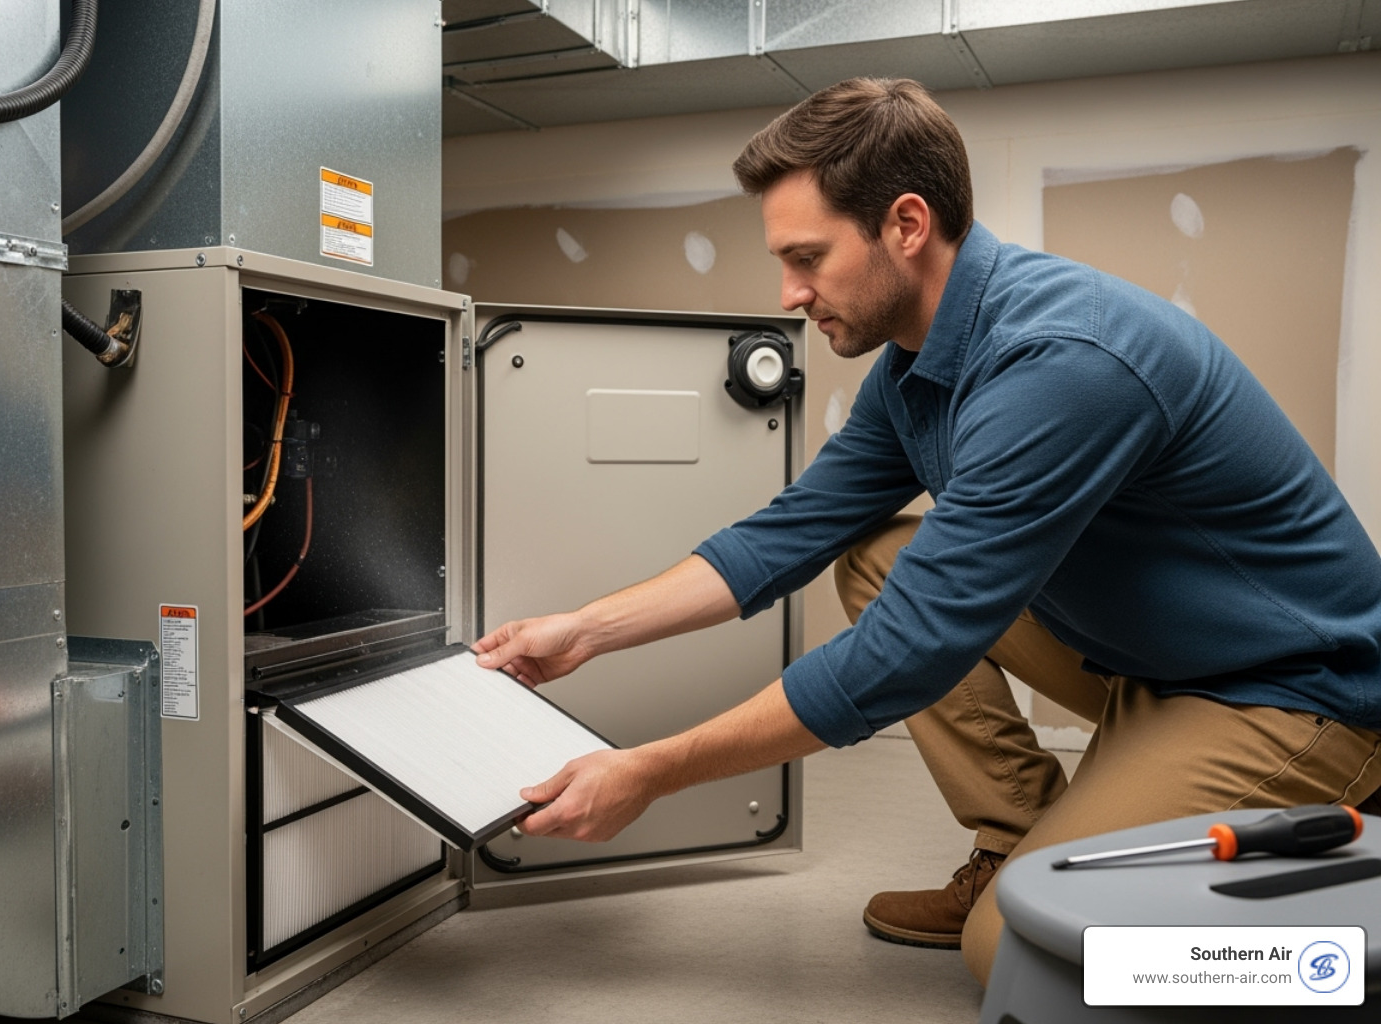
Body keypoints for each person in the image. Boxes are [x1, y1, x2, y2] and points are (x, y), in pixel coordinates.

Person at [471, 77, 1381, 984]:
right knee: (878, 556)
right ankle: (1017, 840)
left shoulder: (1063, 363)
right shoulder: (916, 365)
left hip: (1290, 688)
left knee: (1019, 951)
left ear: (906, 225)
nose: (788, 293)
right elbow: (790, 533)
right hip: (1160, 660)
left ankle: (1335, 962)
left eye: (808, 258)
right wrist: (581, 633)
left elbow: (906, 650)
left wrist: (648, 772)